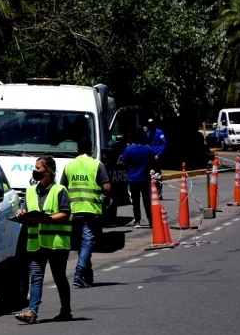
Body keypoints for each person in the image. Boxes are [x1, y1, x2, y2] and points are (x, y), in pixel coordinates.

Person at [14, 156, 73, 324]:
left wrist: (47, 220)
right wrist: (21, 213)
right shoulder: (30, 190)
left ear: (48, 171)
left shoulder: (60, 190)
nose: (35, 171)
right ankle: (32, 312)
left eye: (38, 168)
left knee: (59, 277)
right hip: (36, 242)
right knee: (36, 277)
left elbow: (66, 213)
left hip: (56, 243)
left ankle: (66, 311)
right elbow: (25, 208)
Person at [61, 136, 111, 289]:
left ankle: (87, 277)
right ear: (91, 149)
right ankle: (78, 273)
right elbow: (107, 188)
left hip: (74, 210)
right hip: (91, 209)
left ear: (77, 149)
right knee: (88, 242)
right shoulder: (97, 165)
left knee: (83, 244)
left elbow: (62, 188)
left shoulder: (69, 166)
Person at [120, 129, 153, 229]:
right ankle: (151, 220)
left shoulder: (129, 149)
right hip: (145, 178)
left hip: (133, 178)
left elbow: (123, 163)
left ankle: (137, 220)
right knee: (147, 200)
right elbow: (152, 162)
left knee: (135, 201)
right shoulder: (148, 149)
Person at [143, 118, 166, 199]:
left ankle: (159, 190)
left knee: (157, 174)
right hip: (149, 156)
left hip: (156, 156)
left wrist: (158, 155)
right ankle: (151, 190)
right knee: (149, 173)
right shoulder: (147, 133)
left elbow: (163, 144)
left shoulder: (159, 132)